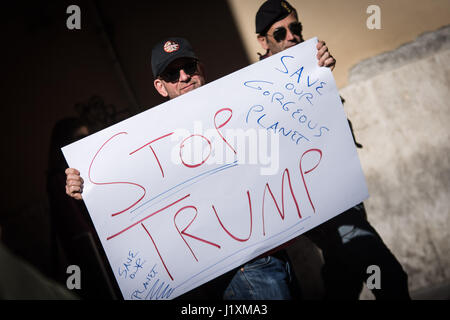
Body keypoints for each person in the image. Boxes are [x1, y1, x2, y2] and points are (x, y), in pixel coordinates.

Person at [65, 36, 337, 300]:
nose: (184, 76)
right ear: (161, 87)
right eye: (172, 73)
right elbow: (125, 202)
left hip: (273, 254)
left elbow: (289, 129)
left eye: (188, 67)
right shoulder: (150, 144)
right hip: (236, 271)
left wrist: (315, 76)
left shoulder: (241, 106)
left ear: (200, 68)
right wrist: (85, 190)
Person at [254, 0, 410, 300]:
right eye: (280, 32)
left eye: (296, 28)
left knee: (343, 279)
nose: (292, 36)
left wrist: (323, 80)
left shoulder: (310, 68)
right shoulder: (258, 86)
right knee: (388, 277)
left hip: (344, 197)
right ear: (263, 41)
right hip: (321, 207)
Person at [47, 117, 118, 299]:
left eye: (87, 137)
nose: (84, 144)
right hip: (94, 257)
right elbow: (78, 228)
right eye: (77, 139)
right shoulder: (61, 178)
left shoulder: (89, 169)